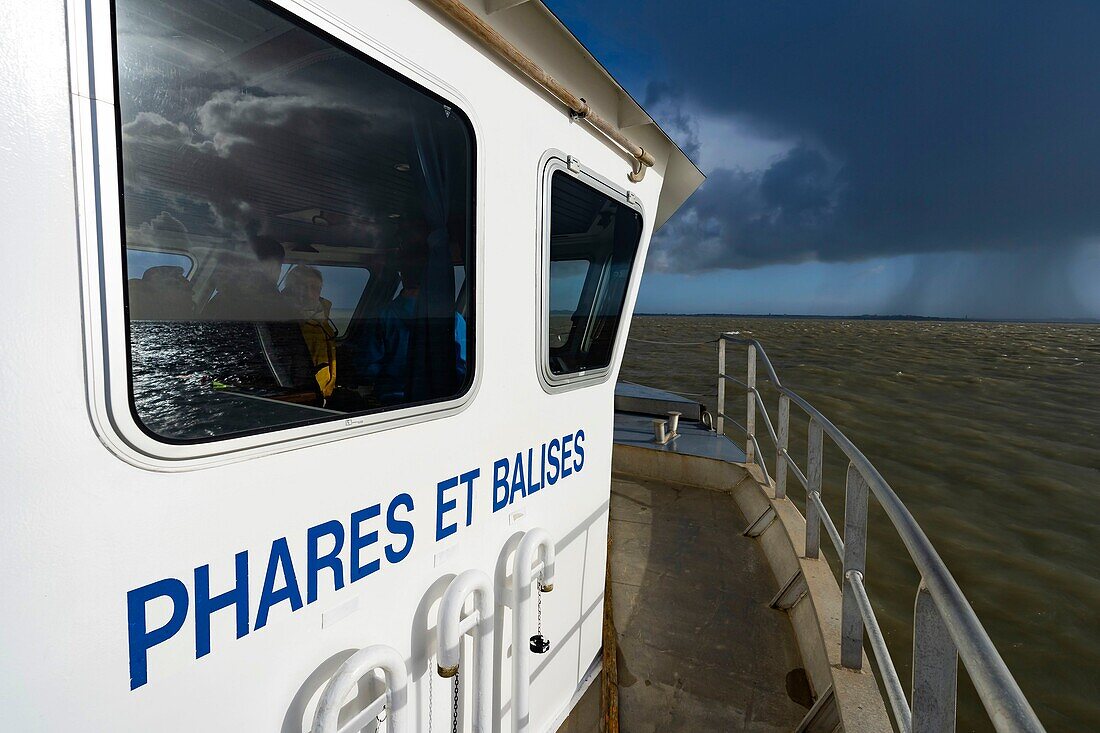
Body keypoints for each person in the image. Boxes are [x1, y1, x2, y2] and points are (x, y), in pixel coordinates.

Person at [282, 265, 338, 401]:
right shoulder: (280, 319)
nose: (308, 293)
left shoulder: (322, 317)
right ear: (290, 289)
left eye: (314, 288)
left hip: (325, 389)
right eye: (302, 287)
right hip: (299, 394)